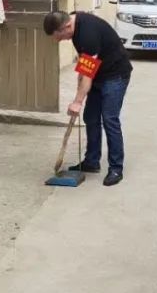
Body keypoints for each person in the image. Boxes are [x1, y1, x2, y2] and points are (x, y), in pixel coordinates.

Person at [44, 10, 133, 186]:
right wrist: (79, 91)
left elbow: (88, 74)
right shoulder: (74, 25)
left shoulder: (88, 34)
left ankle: (116, 168)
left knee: (110, 119)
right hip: (99, 74)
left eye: (60, 37)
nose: (59, 40)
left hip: (115, 75)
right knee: (91, 117)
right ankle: (92, 161)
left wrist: (78, 101)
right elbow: (85, 66)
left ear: (67, 26)